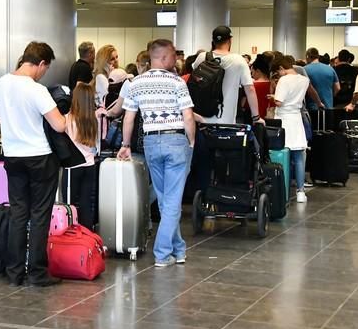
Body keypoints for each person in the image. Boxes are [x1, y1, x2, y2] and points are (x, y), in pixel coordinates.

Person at [0, 41, 66, 287]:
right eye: (46, 68)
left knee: (18, 214)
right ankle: (36, 272)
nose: (44, 73)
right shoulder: (36, 90)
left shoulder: (1, 84)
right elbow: (59, 125)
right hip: (39, 157)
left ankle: (14, 272)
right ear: (41, 63)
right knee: (39, 216)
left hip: (12, 157)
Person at [117, 39, 195, 267]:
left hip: (151, 143)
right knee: (172, 201)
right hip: (176, 140)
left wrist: (125, 144)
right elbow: (188, 116)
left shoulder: (136, 83)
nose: (176, 59)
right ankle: (162, 253)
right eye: (173, 55)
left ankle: (178, 249)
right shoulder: (177, 81)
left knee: (164, 199)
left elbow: (129, 117)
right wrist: (191, 141)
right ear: (162, 58)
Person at [192, 26, 264, 125]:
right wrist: (256, 117)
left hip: (200, 117)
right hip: (225, 120)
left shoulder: (202, 57)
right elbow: (250, 89)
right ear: (230, 40)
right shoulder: (238, 60)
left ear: (213, 40)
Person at [271, 56, 310, 203]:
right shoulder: (304, 80)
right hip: (297, 118)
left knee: (282, 156)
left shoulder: (284, 80)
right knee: (299, 157)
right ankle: (300, 192)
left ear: (281, 68)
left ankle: (283, 189)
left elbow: (279, 102)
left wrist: (273, 96)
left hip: (283, 119)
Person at [62, 82, 100, 229]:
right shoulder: (93, 120)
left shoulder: (67, 119)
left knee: (69, 205)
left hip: (72, 166)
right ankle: (87, 236)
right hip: (90, 165)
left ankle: (70, 236)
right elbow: (96, 146)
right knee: (86, 204)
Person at [250, 54, 272, 119]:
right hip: (270, 117)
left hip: (255, 117)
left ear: (257, 71)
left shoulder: (252, 85)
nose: (252, 75)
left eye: (252, 72)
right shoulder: (273, 84)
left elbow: (245, 105)